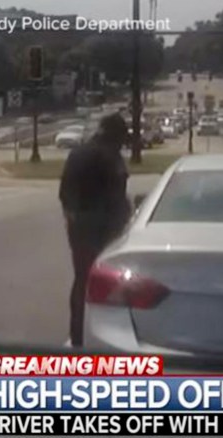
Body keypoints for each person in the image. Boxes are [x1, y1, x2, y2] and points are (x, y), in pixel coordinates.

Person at [59, 113, 132, 347]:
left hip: (79, 228)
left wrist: (73, 218)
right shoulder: (111, 158)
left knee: (82, 280)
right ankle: (107, 334)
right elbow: (117, 197)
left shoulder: (77, 154)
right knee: (110, 285)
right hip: (106, 232)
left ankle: (78, 334)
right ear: (115, 135)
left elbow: (64, 193)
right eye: (121, 137)